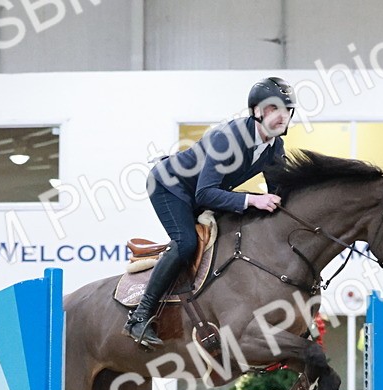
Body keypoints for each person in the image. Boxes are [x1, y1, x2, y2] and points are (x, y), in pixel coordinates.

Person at [124, 77, 296, 348]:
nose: (282, 116)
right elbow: (204, 194)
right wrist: (253, 200)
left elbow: (279, 196)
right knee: (186, 243)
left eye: (287, 110)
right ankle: (139, 316)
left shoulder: (274, 148)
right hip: (169, 186)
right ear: (256, 111)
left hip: (201, 193)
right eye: (274, 109)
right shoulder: (226, 139)